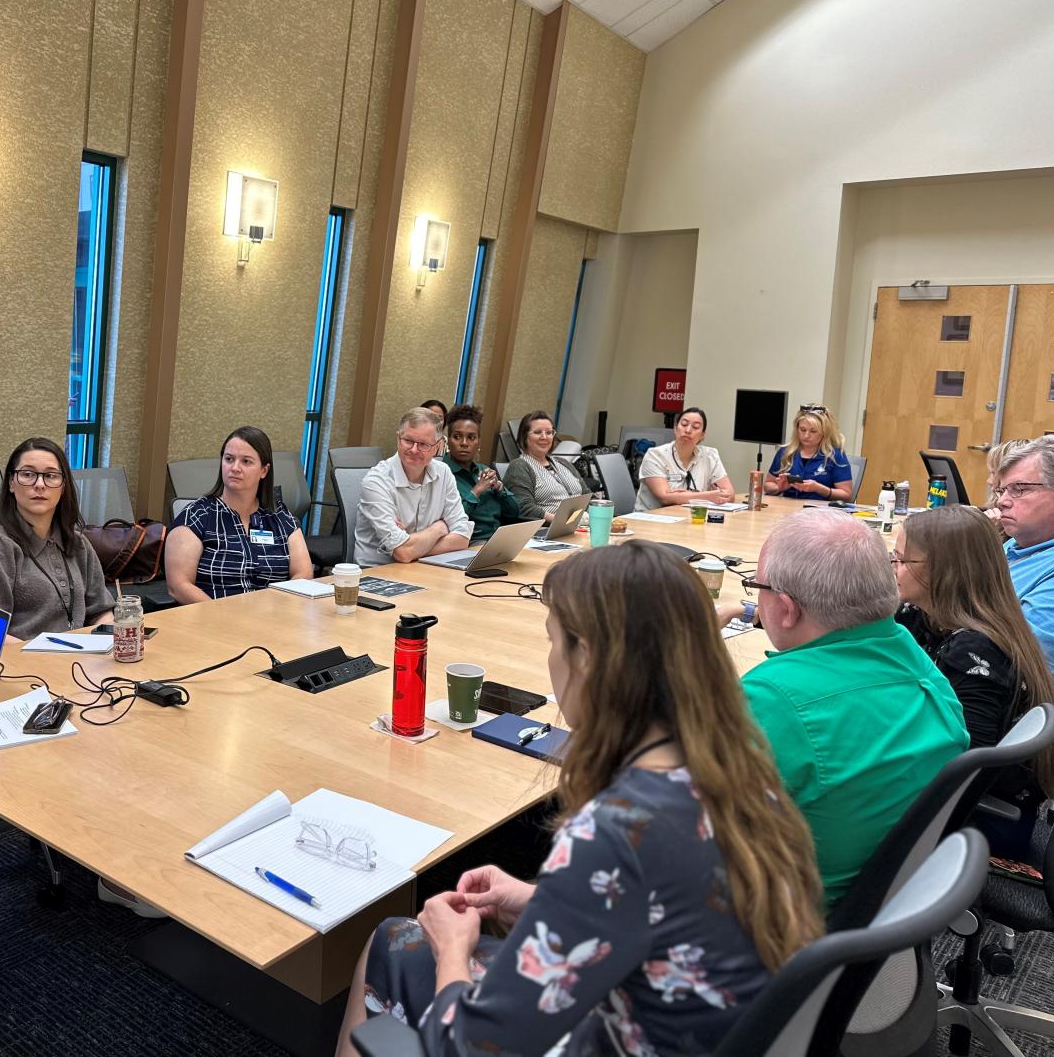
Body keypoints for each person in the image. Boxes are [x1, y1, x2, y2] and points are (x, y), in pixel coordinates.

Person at [335, 543, 823, 1057]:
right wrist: (539, 900)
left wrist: (451, 949)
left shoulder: (617, 830)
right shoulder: (739, 768)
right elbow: (661, 909)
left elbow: (468, 1048)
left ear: (587, 655)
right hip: (700, 1028)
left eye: (553, 640)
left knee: (393, 940)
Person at [737, 510, 968, 907]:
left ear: (788, 609)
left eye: (755, 586)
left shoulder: (772, 699)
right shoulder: (912, 656)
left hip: (782, 931)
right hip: (878, 916)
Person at [892, 505, 1054, 860]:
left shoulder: (975, 651)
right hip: (949, 803)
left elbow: (967, 766)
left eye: (901, 561)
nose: (893, 569)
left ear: (941, 572)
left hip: (977, 825)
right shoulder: (923, 617)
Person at [0, 437, 115, 640]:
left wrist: (106, 637)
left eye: (51, 476)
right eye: (28, 474)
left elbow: (101, 611)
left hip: (75, 660)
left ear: (63, 486)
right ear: (12, 483)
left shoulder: (78, 544)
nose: (40, 485)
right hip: (18, 664)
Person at [165, 426, 313, 602]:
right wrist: (227, 618)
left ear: (264, 470)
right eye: (229, 459)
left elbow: (303, 573)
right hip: (212, 620)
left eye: (246, 461)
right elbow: (179, 586)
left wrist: (275, 609)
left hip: (271, 618)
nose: (235, 468)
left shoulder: (279, 515)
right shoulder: (197, 515)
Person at [993, 436, 1054, 695]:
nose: (1002, 501)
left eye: (1020, 489)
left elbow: (1015, 658)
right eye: (1002, 490)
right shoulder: (1016, 545)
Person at [353, 408, 472, 567]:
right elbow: (402, 552)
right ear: (398, 439)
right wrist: (439, 528)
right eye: (408, 441)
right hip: (377, 572)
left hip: (423, 566)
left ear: (437, 446)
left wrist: (413, 548)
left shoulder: (443, 473)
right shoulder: (376, 481)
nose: (414, 450)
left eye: (423, 444)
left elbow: (463, 537)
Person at [442, 403, 531, 543]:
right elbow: (450, 520)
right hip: (468, 543)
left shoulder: (483, 470)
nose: (464, 443)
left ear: (478, 443)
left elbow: (514, 513)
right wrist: (476, 491)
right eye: (457, 437)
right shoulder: (441, 473)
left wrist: (500, 490)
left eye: (471, 438)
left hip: (498, 539)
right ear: (448, 441)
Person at [635, 406, 736, 511]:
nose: (688, 430)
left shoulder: (710, 455)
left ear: (703, 435)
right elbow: (665, 498)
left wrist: (683, 496)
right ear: (675, 428)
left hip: (689, 519)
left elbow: (729, 495)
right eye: (684, 424)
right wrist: (708, 496)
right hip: (651, 520)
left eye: (695, 427)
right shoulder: (655, 455)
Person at [502, 410, 584, 520]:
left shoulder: (563, 463)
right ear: (524, 437)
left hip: (582, 525)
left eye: (549, 432)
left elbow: (587, 494)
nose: (544, 437)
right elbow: (524, 509)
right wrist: (561, 521)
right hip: (546, 530)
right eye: (537, 432)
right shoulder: (519, 466)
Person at [765, 404, 854, 501]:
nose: (806, 436)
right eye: (802, 430)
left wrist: (820, 489)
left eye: (813, 431)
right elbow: (768, 485)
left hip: (820, 512)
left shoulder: (835, 455)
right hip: (788, 509)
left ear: (824, 432)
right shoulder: (786, 452)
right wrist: (779, 488)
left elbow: (846, 495)